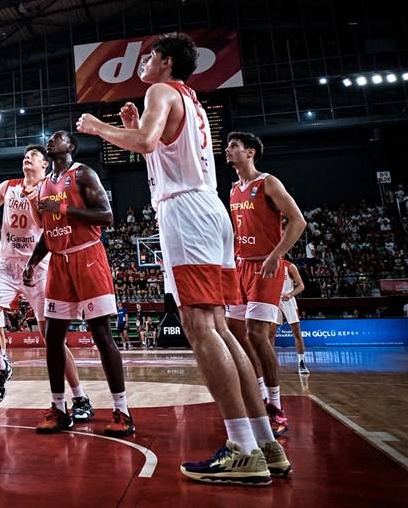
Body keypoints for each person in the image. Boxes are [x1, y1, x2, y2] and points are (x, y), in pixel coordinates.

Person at [76, 33, 288, 485]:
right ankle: (265, 442)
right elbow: (164, 150)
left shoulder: (160, 90)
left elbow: (148, 142)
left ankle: (242, 449)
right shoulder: (189, 99)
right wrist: (131, 124)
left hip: (186, 215)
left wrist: (101, 128)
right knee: (222, 329)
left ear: (166, 62)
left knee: (200, 328)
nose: (144, 62)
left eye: (150, 55)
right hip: (211, 211)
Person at [23, 131, 133, 438]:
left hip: (88, 257)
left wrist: (65, 210)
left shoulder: (82, 173)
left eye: (59, 137)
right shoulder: (45, 185)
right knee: (53, 336)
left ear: (70, 146)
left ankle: (122, 410)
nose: (51, 139)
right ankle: (60, 408)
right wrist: (33, 262)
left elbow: (107, 216)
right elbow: (48, 231)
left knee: (101, 333)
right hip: (58, 261)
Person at [0, 146, 91, 416]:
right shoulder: (8, 187)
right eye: (26, 155)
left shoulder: (51, 190)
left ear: (45, 165)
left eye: (34, 155)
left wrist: (35, 202)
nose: (27, 157)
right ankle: (1, 368)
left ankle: (80, 397)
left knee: (52, 339)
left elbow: (49, 228)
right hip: (7, 265)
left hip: (39, 266)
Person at [225, 131, 307, 436]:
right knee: (238, 336)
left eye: (234, 146)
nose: (227, 151)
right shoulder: (233, 189)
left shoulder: (268, 183)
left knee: (257, 334)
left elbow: (298, 221)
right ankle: (259, 399)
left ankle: (276, 405)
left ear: (250, 153)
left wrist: (277, 256)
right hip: (240, 266)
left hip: (266, 266)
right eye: (227, 147)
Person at [270, 260, 309, 375]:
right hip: (274, 300)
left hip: (288, 300)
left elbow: (301, 286)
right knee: (270, 334)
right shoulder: (269, 264)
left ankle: (301, 362)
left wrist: (290, 294)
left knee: (296, 332)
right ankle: (271, 362)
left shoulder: (290, 266)